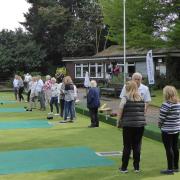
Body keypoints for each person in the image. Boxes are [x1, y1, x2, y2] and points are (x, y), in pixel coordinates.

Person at [117, 80, 146, 173]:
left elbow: (120, 111)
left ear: (128, 88)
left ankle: (124, 168)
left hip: (128, 125)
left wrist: (118, 122)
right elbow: (143, 111)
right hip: (140, 125)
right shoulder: (141, 98)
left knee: (127, 146)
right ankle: (136, 168)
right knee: (137, 146)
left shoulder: (125, 98)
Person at [158, 85, 180, 175]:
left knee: (169, 148)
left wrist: (159, 125)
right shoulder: (178, 103)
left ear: (166, 94)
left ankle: (170, 169)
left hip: (167, 129)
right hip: (176, 128)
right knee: (175, 147)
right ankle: (176, 167)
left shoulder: (166, 104)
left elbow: (161, 118)